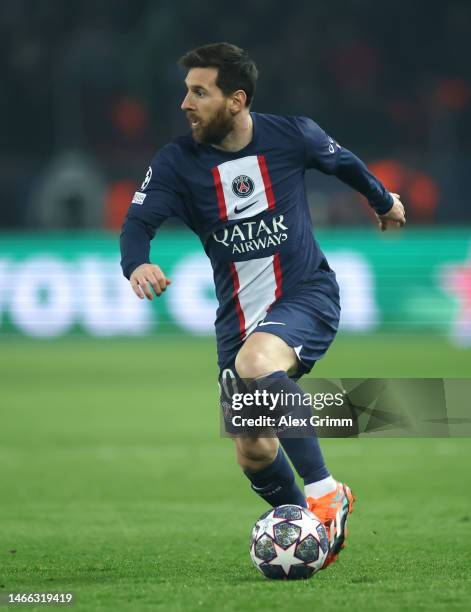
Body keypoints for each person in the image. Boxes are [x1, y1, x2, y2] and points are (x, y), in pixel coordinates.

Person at [120, 42, 406, 569]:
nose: (185, 103)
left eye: (199, 92)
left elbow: (342, 162)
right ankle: (312, 535)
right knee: (253, 447)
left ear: (236, 100)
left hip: (307, 295)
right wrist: (136, 263)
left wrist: (382, 199)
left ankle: (326, 492)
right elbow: (138, 224)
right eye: (186, 91)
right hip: (237, 322)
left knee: (257, 364)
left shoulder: (291, 134)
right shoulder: (177, 162)